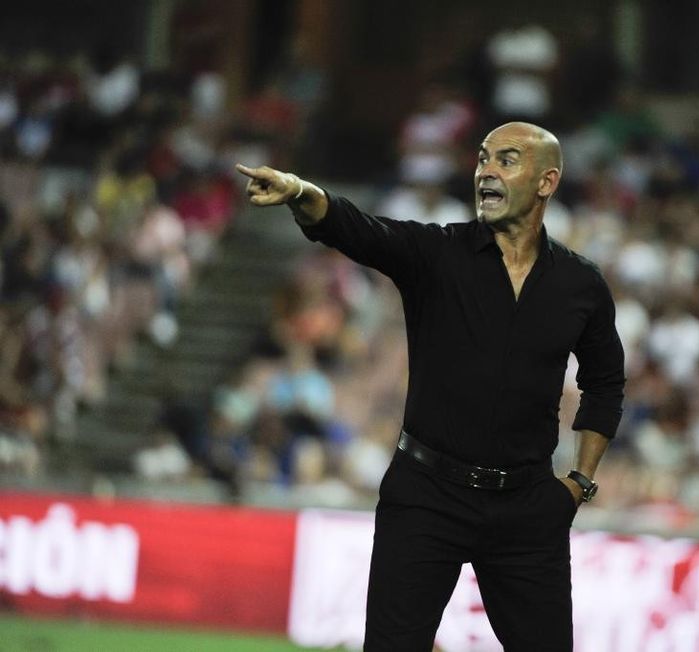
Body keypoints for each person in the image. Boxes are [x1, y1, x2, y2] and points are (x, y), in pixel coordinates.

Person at [236, 121, 625, 651]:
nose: (486, 170)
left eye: (506, 160)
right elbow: (358, 228)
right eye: (482, 158)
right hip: (426, 497)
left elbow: (606, 382)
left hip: (526, 506)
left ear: (546, 182)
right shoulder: (436, 255)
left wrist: (579, 482)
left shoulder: (581, 284)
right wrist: (302, 193)